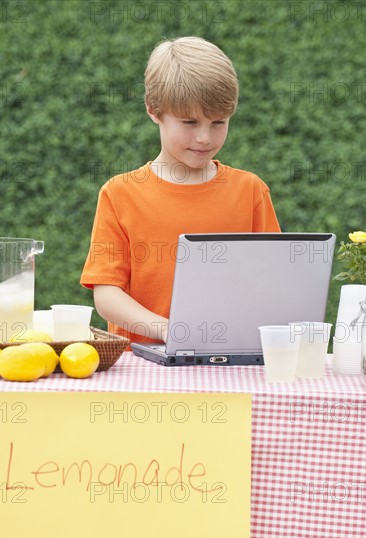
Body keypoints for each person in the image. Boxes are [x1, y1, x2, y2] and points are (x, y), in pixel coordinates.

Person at [80, 36, 280, 345]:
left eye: (218, 122)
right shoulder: (120, 194)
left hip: (231, 363)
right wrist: (170, 331)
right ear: (154, 111)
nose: (204, 138)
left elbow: (272, 283)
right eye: (189, 122)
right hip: (143, 365)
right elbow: (107, 294)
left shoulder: (250, 191)